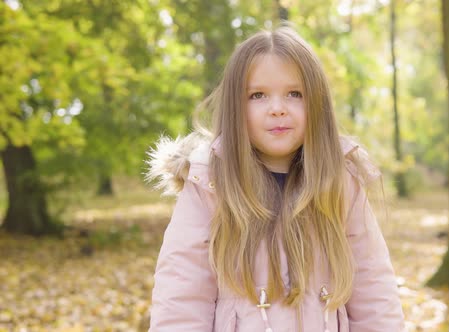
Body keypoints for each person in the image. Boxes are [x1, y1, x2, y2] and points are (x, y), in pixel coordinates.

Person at [146, 26, 404, 331]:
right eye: (258, 95)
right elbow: (181, 299)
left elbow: (374, 292)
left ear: (316, 103)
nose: (278, 109)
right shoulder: (210, 185)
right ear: (235, 107)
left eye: (295, 94)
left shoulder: (340, 183)